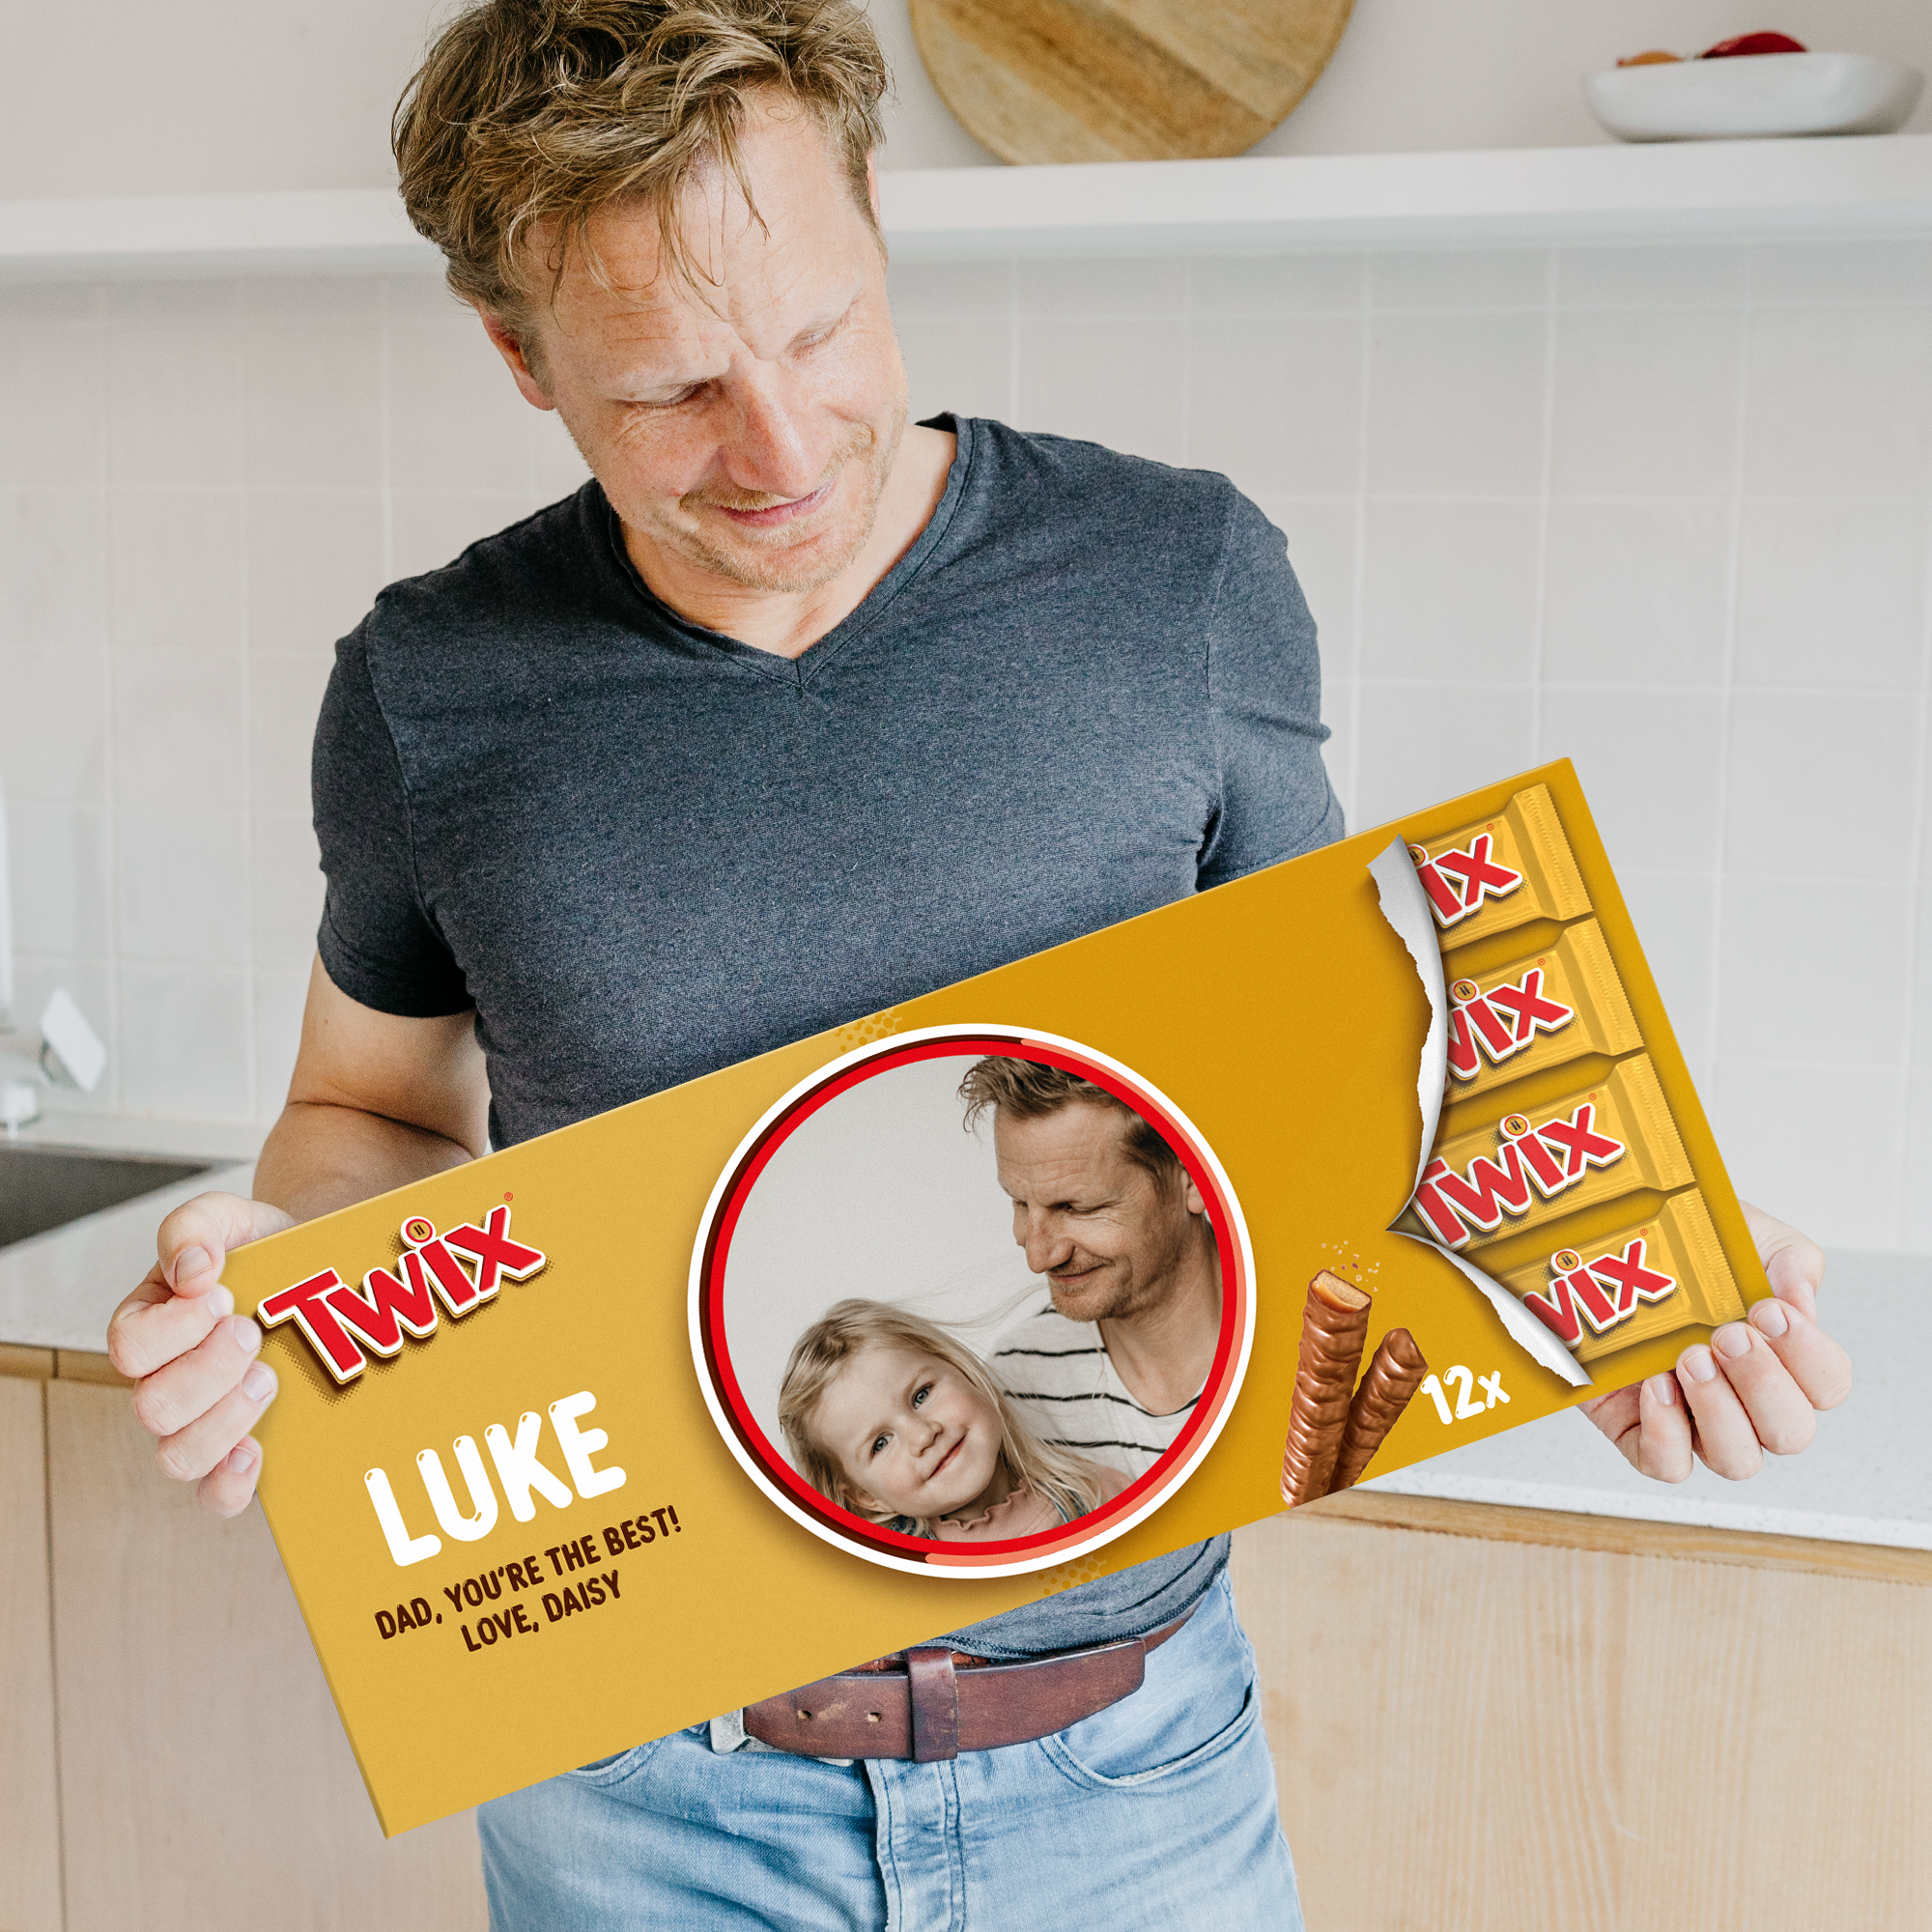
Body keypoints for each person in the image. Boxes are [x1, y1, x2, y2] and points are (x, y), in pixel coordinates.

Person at [100, 2, 1852, 1925]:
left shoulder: (1171, 579)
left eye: (820, 329)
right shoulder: (431, 693)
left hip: (1128, 1767)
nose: (777, 447)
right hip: (641, 1789)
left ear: (875, 221)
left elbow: (1335, 1091)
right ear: (518, 354)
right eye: (671, 389)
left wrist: (1581, 1306)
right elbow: (367, 1111)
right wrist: (299, 1277)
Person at [962, 1058, 1224, 1477]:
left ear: (1193, 1177)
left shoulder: (1321, 1330)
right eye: (1020, 1203)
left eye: (1076, 1207)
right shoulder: (1019, 1387)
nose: (1038, 1258)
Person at [777, 1298, 1130, 1540]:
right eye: (880, 1443)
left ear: (963, 1372)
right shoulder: (896, 1580)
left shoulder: (1096, 1497)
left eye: (921, 1395)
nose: (923, 1435)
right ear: (866, 1498)